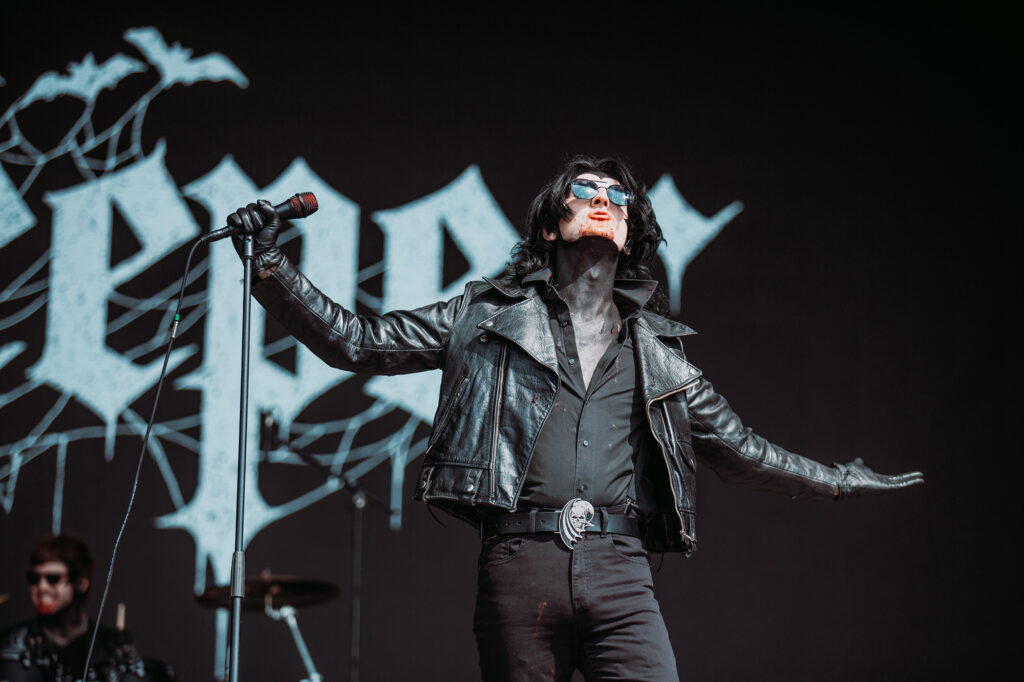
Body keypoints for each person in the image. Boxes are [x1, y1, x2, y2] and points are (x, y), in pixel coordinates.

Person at [226, 155, 924, 681]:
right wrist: (271, 267)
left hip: (621, 571)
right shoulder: (484, 316)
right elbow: (356, 341)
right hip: (520, 563)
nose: (602, 201)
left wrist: (838, 480)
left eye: (618, 197)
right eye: (585, 190)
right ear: (548, 224)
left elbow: (742, 450)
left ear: (631, 235)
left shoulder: (660, 357)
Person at [0, 534, 170, 682]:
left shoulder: (114, 647)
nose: (41, 587)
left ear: (81, 583)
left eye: (53, 578)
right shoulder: (9, 644)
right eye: (34, 578)